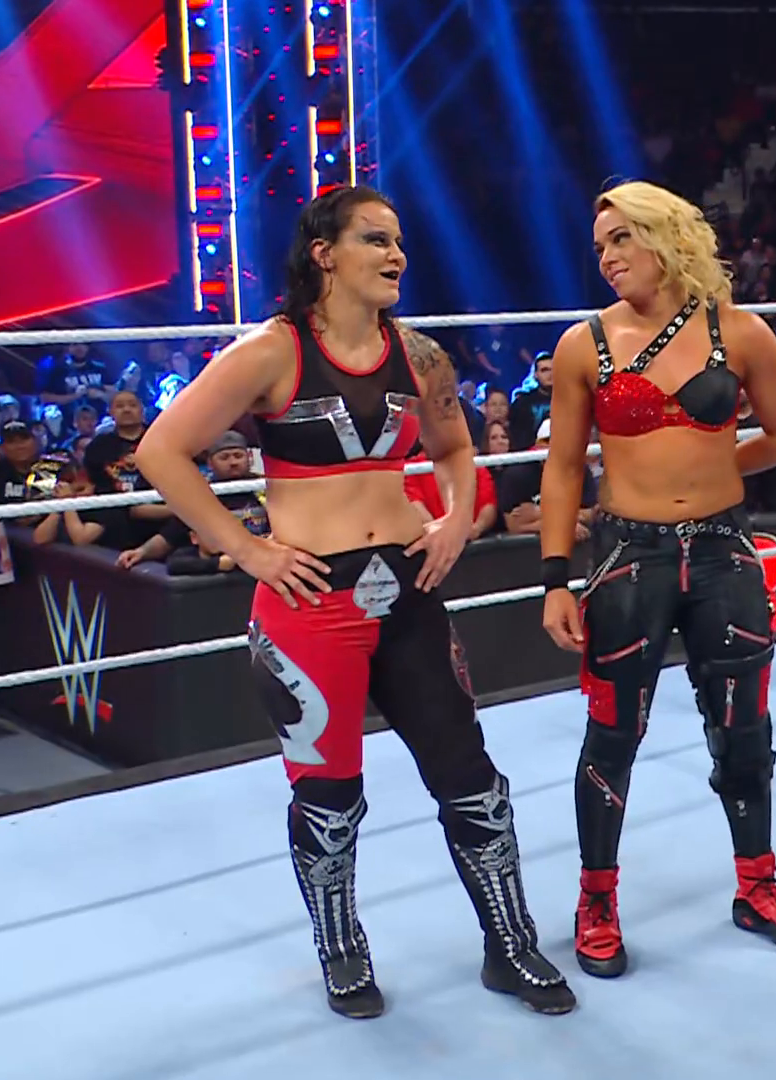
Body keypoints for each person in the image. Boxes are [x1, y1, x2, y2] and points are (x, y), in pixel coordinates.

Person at [136, 186, 574, 1020]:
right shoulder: (272, 352)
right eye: (376, 239)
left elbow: (455, 448)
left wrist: (456, 519)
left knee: (472, 779)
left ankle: (511, 943)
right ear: (324, 253)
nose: (396, 254)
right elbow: (162, 450)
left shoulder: (421, 355)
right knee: (329, 801)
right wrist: (248, 548)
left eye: (399, 240)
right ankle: (342, 951)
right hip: (311, 605)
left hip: (410, 593)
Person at [537, 179, 776, 979]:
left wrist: (717, 469)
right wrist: (554, 578)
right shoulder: (585, 343)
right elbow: (563, 468)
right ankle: (596, 900)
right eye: (600, 246)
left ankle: (757, 885)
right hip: (629, 555)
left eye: (622, 238)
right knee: (612, 734)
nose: (608, 257)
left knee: (744, 728)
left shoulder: (741, 332)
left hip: (723, 549)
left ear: (668, 236)